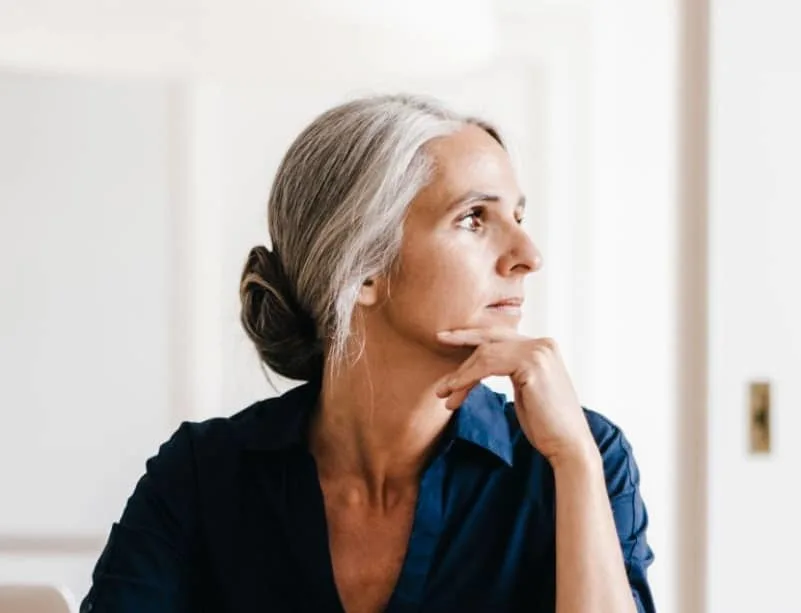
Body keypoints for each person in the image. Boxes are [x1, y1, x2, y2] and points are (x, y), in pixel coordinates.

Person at [80, 94, 656, 613]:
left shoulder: (580, 458)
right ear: (363, 271)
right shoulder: (203, 476)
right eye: (474, 218)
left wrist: (574, 460)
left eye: (518, 217)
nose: (527, 254)